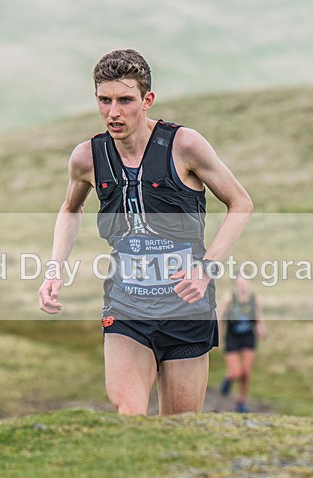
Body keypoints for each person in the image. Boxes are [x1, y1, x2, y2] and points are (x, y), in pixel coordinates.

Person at [37, 49, 253, 416]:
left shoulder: (184, 146)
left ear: (147, 100)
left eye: (125, 100)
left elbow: (241, 203)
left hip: (187, 309)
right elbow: (70, 209)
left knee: (179, 429)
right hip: (127, 306)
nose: (113, 112)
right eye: (104, 101)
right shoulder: (86, 157)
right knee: (130, 415)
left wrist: (207, 268)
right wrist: (54, 269)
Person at [219, 276, 265, 413]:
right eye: (239, 284)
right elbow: (219, 318)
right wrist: (217, 336)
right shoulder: (229, 298)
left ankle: (241, 401)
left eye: (245, 283)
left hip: (248, 337)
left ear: (249, 284)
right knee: (236, 372)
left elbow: (258, 317)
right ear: (234, 285)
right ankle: (229, 378)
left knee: (246, 372)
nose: (242, 287)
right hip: (232, 337)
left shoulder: (254, 299)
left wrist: (261, 328)